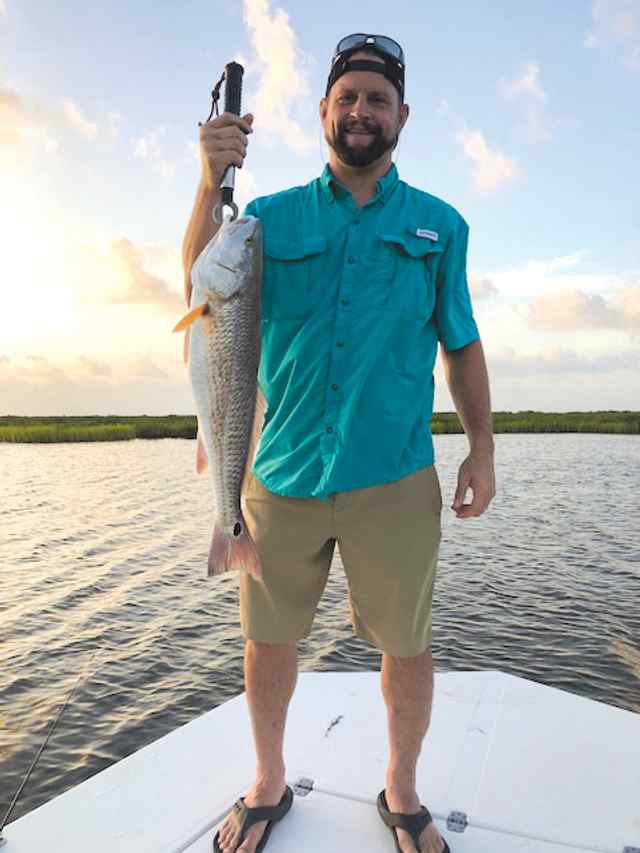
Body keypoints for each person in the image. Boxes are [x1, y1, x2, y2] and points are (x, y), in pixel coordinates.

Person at [182, 32, 496, 853]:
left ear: (402, 117)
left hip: (393, 476)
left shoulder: (440, 226)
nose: (362, 112)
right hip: (277, 472)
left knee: (408, 645)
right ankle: (268, 781)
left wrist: (482, 449)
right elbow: (203, 281)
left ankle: (401, 789)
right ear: (324, 111)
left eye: (378, 99)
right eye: (348, 97)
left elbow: (460, 343)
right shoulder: (264, 220)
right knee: (268, 639)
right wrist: (208, 179)